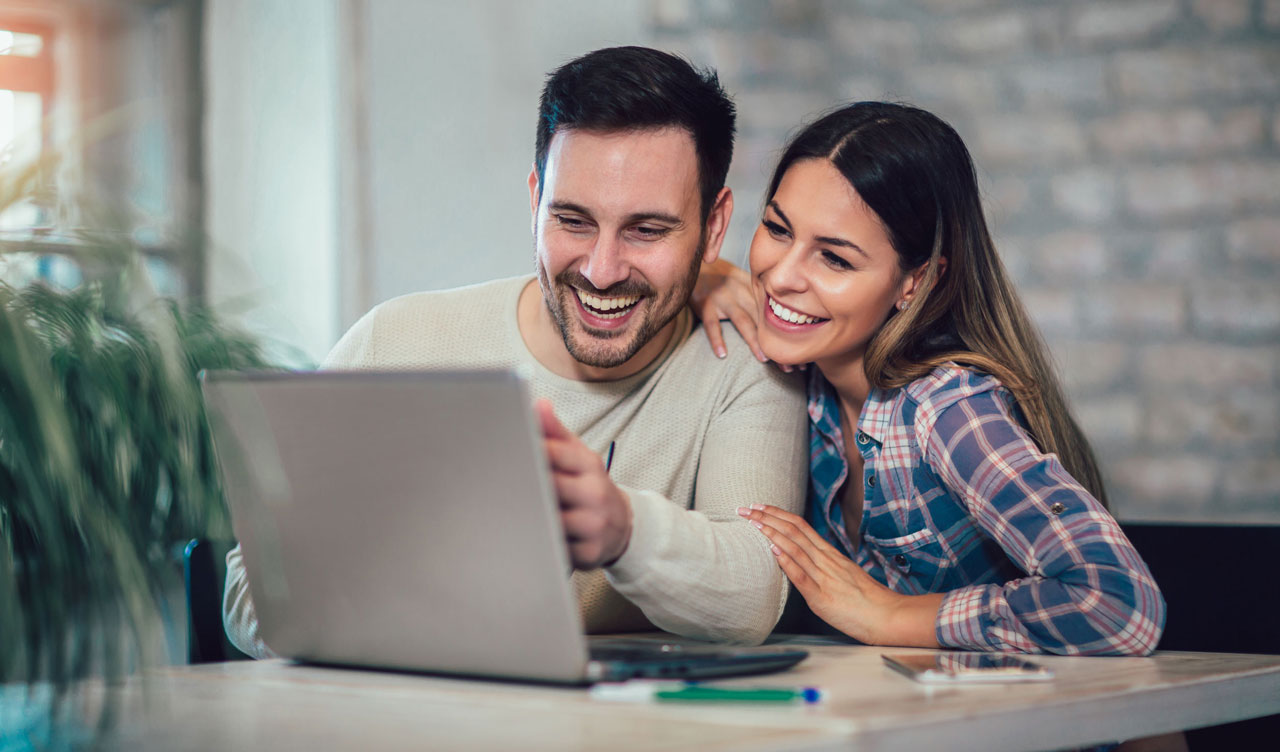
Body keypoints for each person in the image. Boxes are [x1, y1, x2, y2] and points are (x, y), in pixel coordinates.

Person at [221, 46, 808, 659]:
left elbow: (753, 594)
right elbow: (250, 593)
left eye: (647, 231)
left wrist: (623, 530)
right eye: (573, 221)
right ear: (535, 201)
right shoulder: (396, 341)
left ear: (714, 227)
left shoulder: (746, 361)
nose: (602, 271)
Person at [695, 101, 1165, 656]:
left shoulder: (946, 410)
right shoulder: (806, 373)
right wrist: (708, 275)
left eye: (835, 260)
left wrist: (889, 614)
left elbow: (1120, 604)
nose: (781, 275)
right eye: (777, 228)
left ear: (914, 282)